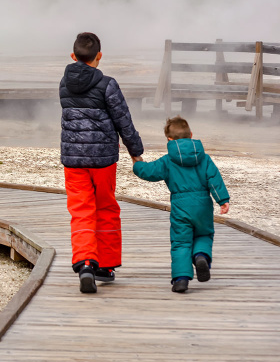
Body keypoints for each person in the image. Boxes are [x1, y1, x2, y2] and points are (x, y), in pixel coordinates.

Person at [60, 32, 143, 294]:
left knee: (81, 210)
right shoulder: (108, 84)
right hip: (104, 160)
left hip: (73, 160)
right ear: (99, 56)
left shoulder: (64, 83)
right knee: (105, 207)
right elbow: (123, 120)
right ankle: (105, 266)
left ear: (73, 57)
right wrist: (135, 151)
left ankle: (85, 262)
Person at [132, 116, 230, 294]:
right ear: (191, 134)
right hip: (203, 205)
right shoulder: (204, 158)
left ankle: (181, 280)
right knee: (204, 234)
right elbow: (214, 179)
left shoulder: (168, 160)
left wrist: (137, 163)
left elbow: (149, 172)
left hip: (180, 206)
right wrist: (222, 200)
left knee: (181, 242)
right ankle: (200, 256)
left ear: (169, 140)